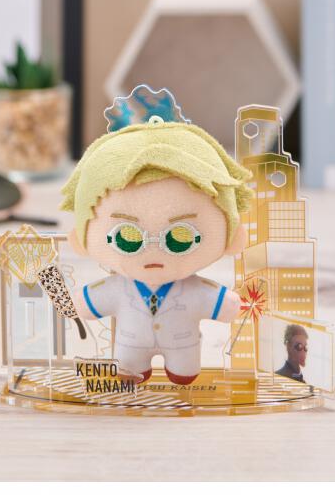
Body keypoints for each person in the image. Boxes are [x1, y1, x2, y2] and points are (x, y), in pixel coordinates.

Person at [61, 88, 251, 385]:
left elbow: (222, 304)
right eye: (128, 238)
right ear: (82, 237)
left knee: (185, 373)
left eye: (179, 239)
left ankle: (182, 373)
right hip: (129, 350)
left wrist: (233, 305)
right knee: (129, 371)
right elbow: (86, 304)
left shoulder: (194, 290)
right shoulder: (118, 289)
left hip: (183, 348)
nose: (153, 253)